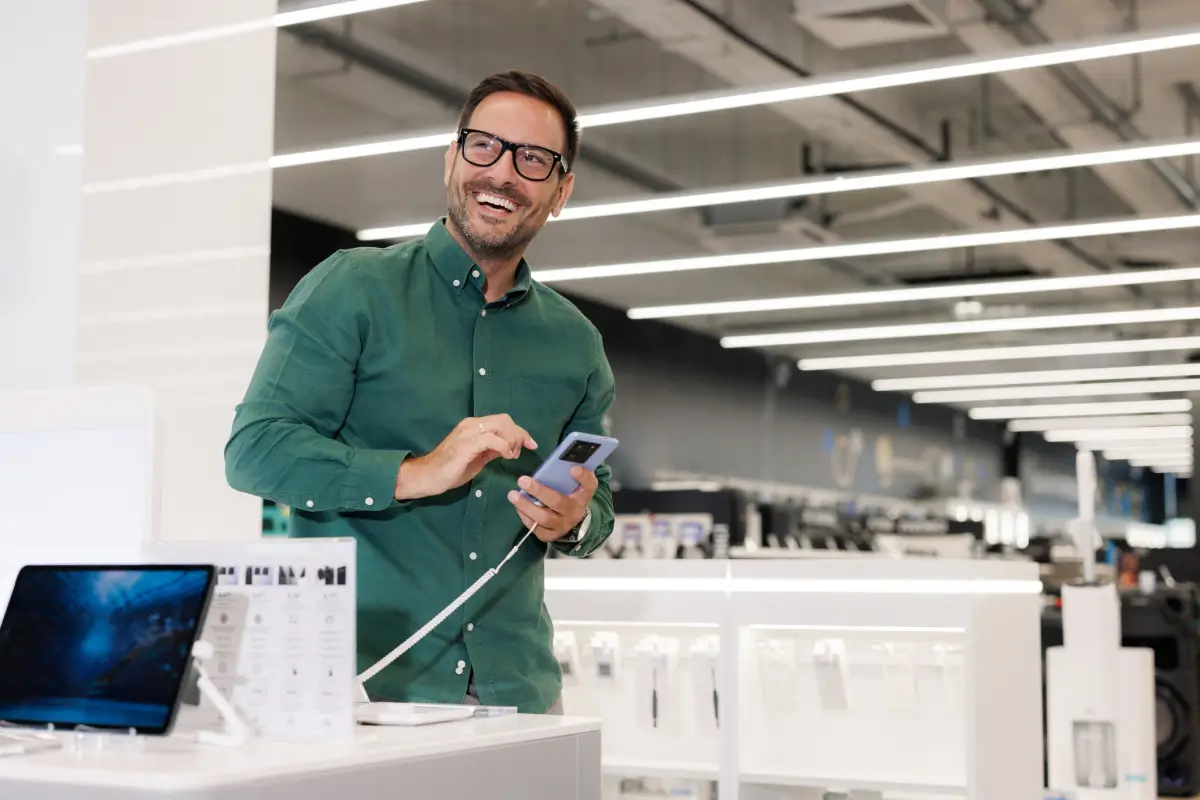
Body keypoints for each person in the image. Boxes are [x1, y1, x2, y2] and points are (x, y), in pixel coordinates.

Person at [224, 70, 616, 715]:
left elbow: (598, 499)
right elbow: (255, 451)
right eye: (483, 145)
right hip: (362, 696)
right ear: (452, 159)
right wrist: (416, 472)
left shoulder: (576, 343)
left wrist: (576, 519)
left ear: (561, 190)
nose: (501, 172)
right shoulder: (351, 288)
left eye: (533, 159)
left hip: (517, 697)